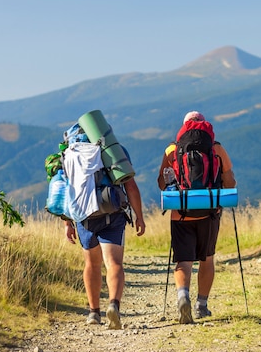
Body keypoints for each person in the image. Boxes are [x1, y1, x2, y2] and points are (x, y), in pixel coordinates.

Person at [157, 111, 236, 324]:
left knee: (184, 260)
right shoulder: (216, 148)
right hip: (210, 211)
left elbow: (162, 184)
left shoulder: (172, 149)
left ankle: (183, 296)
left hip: (180, 214)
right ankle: (202, 305)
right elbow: (230, 183)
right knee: (207, 258)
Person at [64, 163, 146, 329]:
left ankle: (94, 312)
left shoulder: (71, 153)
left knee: (92, 264)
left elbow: (64, 189)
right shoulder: (113, 150)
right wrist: (139, 217)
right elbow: (130, 185)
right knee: (113, 263)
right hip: (112, 212)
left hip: (84, 217)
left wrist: (67, 223)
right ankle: (113, 304)